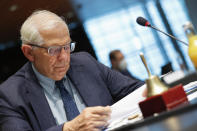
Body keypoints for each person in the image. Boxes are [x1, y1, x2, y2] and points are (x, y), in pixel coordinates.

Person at [0, 10, 144, 131]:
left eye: (67, 46)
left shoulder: (86, 64)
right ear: (29, 53)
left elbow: (137, 91)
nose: (64, 57)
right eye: (54, 50)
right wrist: (69, 128)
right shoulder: (10, 95)